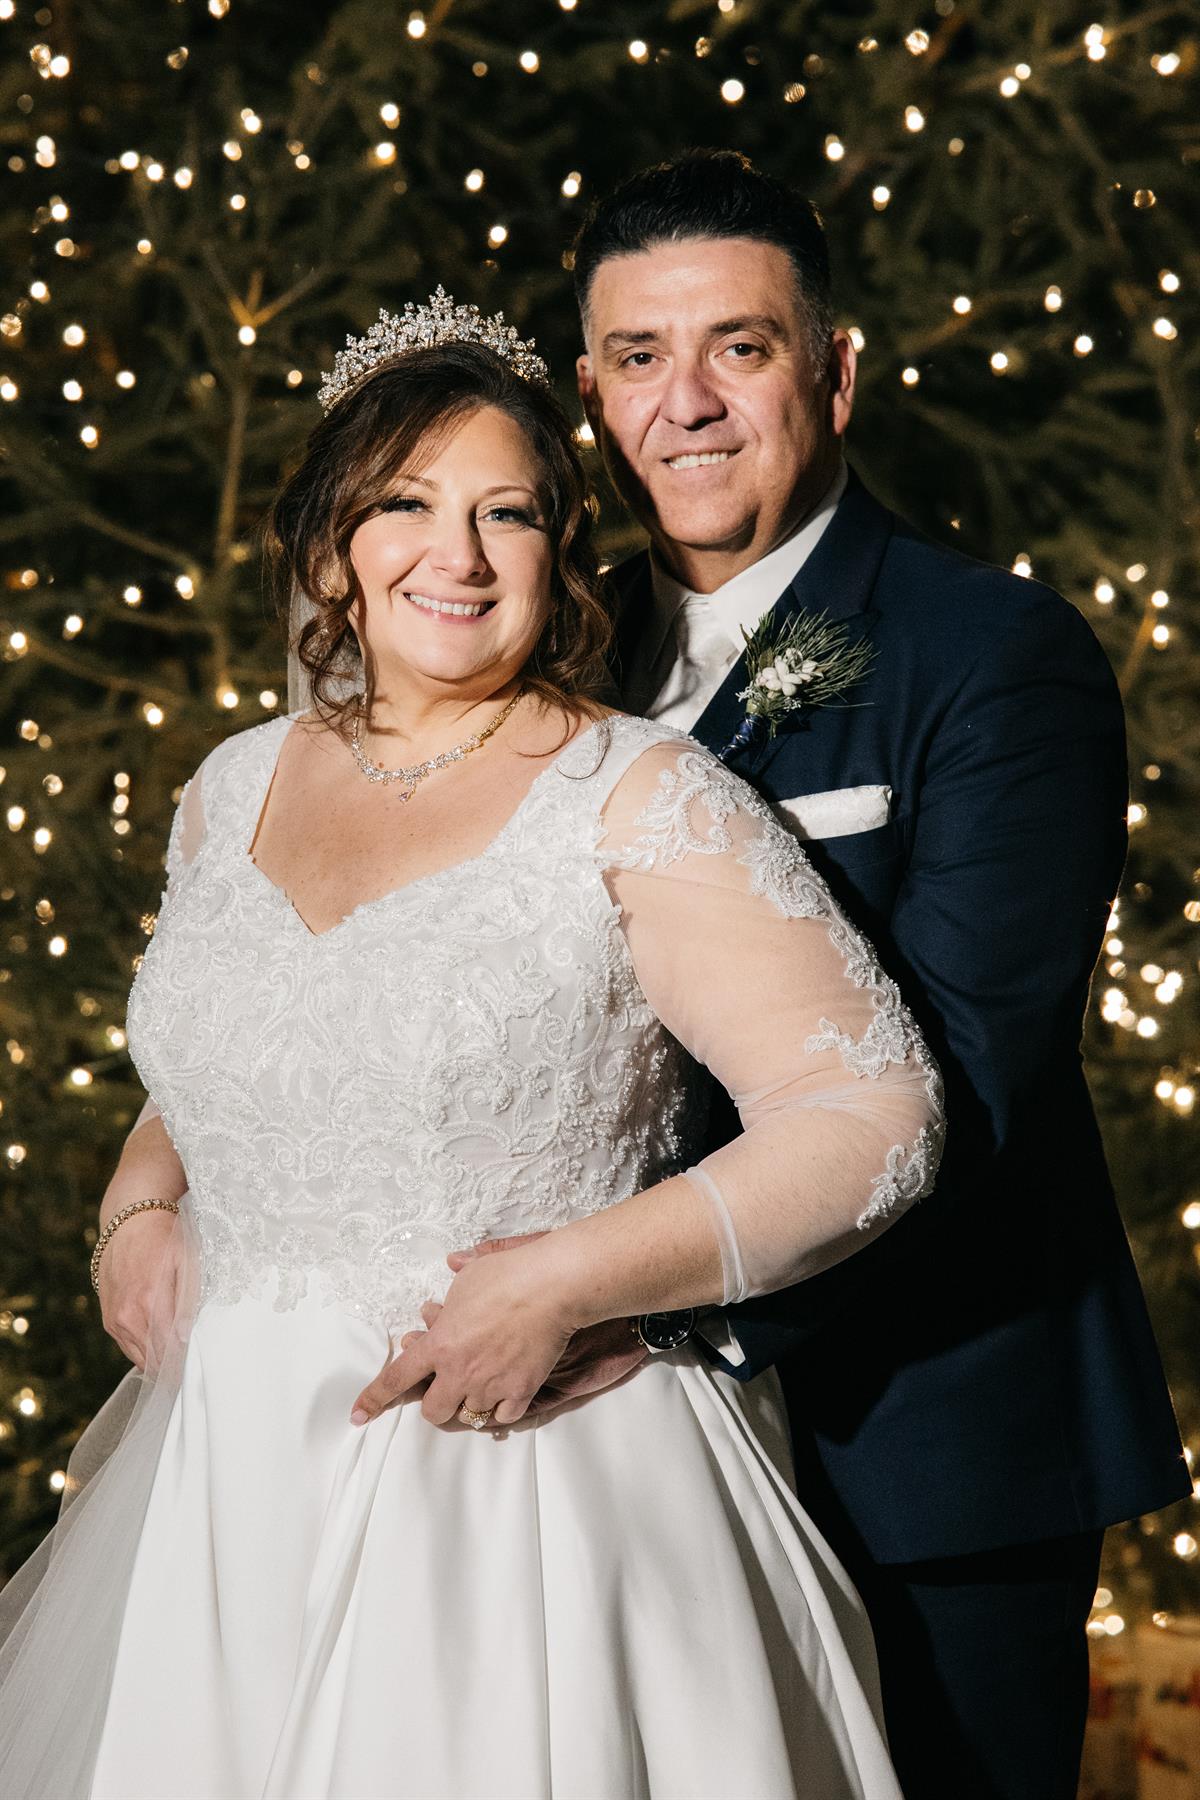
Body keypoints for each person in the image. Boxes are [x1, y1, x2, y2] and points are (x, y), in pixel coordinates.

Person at [0, 296, 943, 1797]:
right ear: (331, 544)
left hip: (517, 1487)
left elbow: (872, 1113)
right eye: (407, 504)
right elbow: (246, 1050)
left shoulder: (636, 795)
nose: (460, 554)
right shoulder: (233, 784)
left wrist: (566, 1282)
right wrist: (140, 1199)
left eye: (507, 512)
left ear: (557, 553)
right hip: (227, 1482)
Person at [462, 149, 1186, 1800]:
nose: (688, 404)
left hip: (924, 1444)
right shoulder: (541, 656)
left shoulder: (995, 655)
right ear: (591, 394)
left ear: (835, 372)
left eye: (742, 346)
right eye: (639, 357)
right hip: (603, 1464)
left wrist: (645, 1307)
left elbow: (971, 1068)